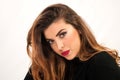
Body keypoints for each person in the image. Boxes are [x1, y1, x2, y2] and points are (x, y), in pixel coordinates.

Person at [24, 3, 120, 80]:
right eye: (51, 41)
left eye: (62, 34)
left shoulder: (100, 63)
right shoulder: (46, 65)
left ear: (78, 28)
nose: (59, 46)